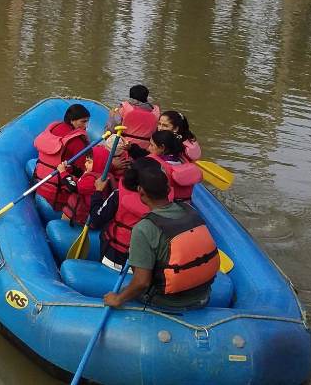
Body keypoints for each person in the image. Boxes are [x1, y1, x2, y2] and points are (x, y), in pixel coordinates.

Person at [103, 165, 220, 310]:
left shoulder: (143, 228)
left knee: (122, 292)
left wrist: (118, 299)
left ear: (141, 192)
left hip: (168, 300)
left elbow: (142, 282)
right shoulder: (189, 210)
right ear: (169, 189)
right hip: (203, 295)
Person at [88, 158, 162, 270]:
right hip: (145, 263)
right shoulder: (164, 203)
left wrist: (98, 192)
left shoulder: (118, 195)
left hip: (113, 256)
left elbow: (97, 219)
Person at [33, 104, 91, 212]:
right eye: (83, 121)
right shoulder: (77, 141)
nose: (86, 125)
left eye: (87, 121)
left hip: (40, 187)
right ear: (72, 121)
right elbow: (84, 170)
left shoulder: (54, 128)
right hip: (58, 198)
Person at [132, 130, 202, 202]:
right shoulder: (183, 159)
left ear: (162, 147)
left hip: (166, 202)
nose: (148, 148)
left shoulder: (154, 163)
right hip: (187, 200)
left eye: (152, 145)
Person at [59, 145, 112, 225]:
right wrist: (71, 169)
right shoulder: (99, 173)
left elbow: (73, 187)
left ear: (99, 163)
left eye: (89, 162)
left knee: (64, 219)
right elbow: (82, 176)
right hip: (85, 212)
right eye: (86, 161)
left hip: (82, 216)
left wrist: (63, 172)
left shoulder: (93, 179)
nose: (85, 164)